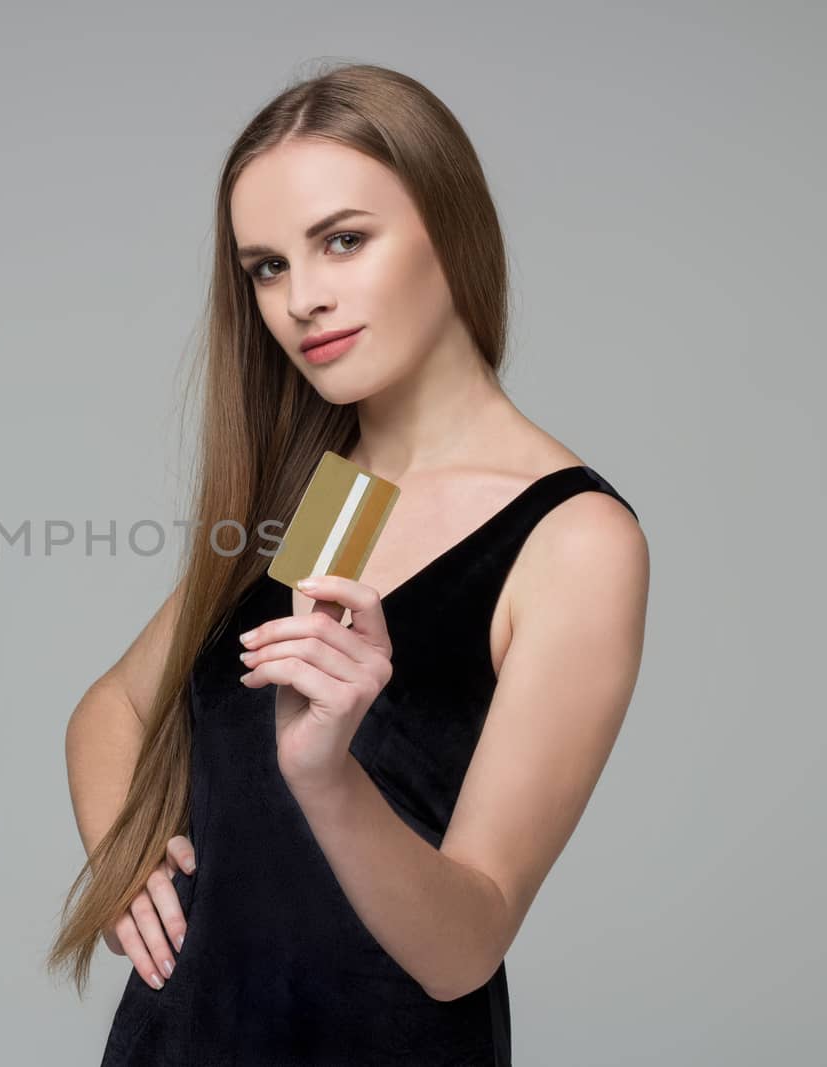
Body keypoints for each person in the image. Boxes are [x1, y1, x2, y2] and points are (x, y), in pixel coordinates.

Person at [45, 62, 650, 1065]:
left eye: (341, 240)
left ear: (448, 227)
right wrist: (127, 865)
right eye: (267, 266)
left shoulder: (574, 538)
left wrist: (324, 774)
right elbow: (110, 707)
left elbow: (466, 944)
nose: (302, 300)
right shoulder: (325, 498)